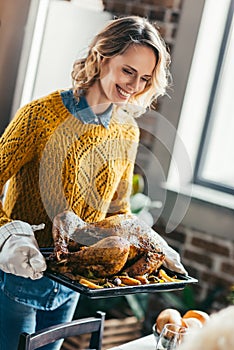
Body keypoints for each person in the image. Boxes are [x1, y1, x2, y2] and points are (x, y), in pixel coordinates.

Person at [0, 15, 186, 350]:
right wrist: (8, 236)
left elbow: (118, 209)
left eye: (145, 78)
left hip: (72, 283)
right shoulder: (39, 117)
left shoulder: (127, 131)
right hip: (17, 278)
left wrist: (146, 239)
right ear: (102, 58)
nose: (134, 85)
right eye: (128, 71)